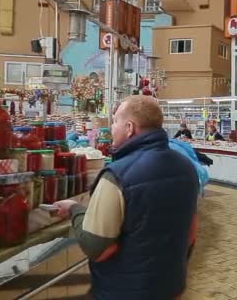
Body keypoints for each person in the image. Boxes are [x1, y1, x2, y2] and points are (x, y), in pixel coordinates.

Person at [53, 96, 199, 299]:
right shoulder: (187, 167)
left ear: (129, 127)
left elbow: (97, 249)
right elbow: (191, 232)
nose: (111, 128)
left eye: (114, 121)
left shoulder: (117, 176)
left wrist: (73, 209)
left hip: (123, 291)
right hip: (171, 286)